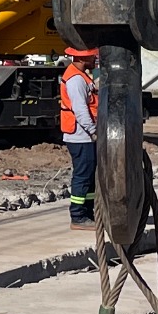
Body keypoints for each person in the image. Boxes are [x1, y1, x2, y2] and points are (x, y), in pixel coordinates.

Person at [60, 45, 99, 228]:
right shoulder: (76, 80)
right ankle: (77, 215)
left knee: (89, 176)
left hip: (84, 136)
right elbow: (81, 110)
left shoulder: (81, 76)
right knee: (82, 176)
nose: (95, 59)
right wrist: (93, 131)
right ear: (82, 59)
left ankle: (87, 212)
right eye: (92, 57)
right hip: (81, 136)